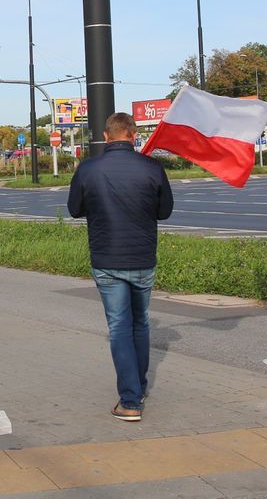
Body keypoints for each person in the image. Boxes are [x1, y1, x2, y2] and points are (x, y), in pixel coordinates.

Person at [67, 112, 173, 422]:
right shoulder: (152, 168)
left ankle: (129, 402)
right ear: (133, 134)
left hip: (107, 260)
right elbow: (164, 211)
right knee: (139, 323)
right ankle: (137, 389)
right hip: (142, 258)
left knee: (119, 327)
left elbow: (74, 210)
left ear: (106, 134)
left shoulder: (88, 169)